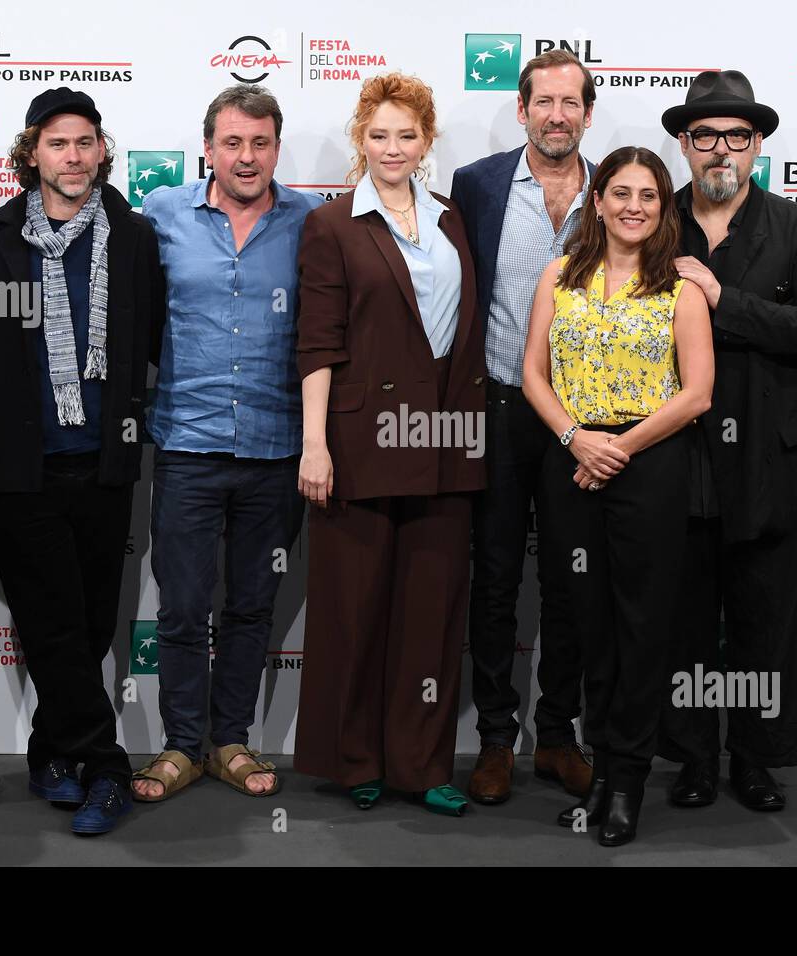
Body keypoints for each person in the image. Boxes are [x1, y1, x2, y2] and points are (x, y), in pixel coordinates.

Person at [0, 88, 165, 834]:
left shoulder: (134, 235)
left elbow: (150, 340)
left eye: (86, 142)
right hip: (20, 468)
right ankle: (107, 769)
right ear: (31, 155)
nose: (74, 157)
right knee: (52, 624)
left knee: (86, 626)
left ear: (102, 150)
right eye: (58, 144)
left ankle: (52, 753)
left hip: (106, 462)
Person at [294, 73, 486, 816]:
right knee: (355, 610)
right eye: (378, 135)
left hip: (447, 441)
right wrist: (315, 445)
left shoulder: (451, 220)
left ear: (428, 142)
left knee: (431, 617)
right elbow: (317, 342)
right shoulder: (332, 224)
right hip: (359, 441)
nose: (392, 148)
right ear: (359, 140)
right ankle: (356, 760)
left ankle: (423, 762)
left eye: (407, 135)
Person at [657, 71, 797, 811]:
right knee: (685, 618)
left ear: (757, 145)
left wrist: (723, 299)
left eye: (737, 136)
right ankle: (694, 756)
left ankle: (758, 759)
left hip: (768, 453)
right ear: (685, 145)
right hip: (677, 449)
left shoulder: (796, 227)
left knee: (766, 618)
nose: (721, 150)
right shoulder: (655, 216)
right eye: (706, 137)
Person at [133, 85, 321, 803]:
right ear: (207, 147)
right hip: (186, 442)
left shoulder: (312, 221)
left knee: (250, 606)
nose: (247, 157)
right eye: (233, 143)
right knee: (182, 605)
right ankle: (181, 746)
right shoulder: (162, 215)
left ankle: (230, 741)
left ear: (278, 147)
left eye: (261, 143)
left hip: (277, 448)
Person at [523, 146, 713, 846]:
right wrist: (577, 438)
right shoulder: (558, 277)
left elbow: (697, 393)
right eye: (620, 192)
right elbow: (533, 372)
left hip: (651, 467)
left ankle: (629, 776)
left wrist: (619, 447)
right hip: (571, 465)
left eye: (650, 196)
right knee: (588, 623)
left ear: (663, 210)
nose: (634, 206)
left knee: (642, 626)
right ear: (596, 200)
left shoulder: (682, 289)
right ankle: (599, 765)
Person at [451, 49, 598, 805]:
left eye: (571, 103)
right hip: (501, 410)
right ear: (522, 109)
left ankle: (560, 733)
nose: (556, 115)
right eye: (544, 101)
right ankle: (497, 740)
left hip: (584, 424)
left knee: (572, 581)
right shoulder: (477, 186)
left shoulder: (618, 193)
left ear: (587, 115)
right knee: (496, 578)